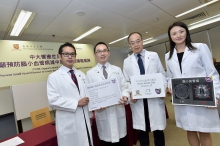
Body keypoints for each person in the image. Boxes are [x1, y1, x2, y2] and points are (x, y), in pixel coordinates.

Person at [165, 21, 220, 146]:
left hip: (202, 97)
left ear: (186, 32)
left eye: (181, 31)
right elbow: (169, 76)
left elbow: (212, 73)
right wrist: (170, 86)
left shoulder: (200, 47)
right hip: (183, 98)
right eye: (174, 33)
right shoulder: (168, 55)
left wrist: (215, 95)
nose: (178, 35)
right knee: (190, 130)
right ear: (170, 37)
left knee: (205, 131)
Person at [123, 32, 167, 146]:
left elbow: (162, 74)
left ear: (142, 41)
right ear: (129, 45)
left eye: (138, 41)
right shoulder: (127, 61)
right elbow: (126, 81)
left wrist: (163, 89)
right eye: (132, 43)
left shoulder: (153, 55)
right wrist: (131, 92)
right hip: (138, 101)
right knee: (142, 132)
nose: (136, 45)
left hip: (154, 98)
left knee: (158, 131)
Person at [47, 42, 93, 146]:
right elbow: (53, 101)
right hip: (68, 123)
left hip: (85, 120)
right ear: (59, 56)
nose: (70, 57)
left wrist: (89, 116)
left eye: (72, 54)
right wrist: (76, 103)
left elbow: (87, 97)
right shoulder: (54, 77)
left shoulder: (81, 74)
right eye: (66, 54)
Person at [86, 42, 129, 146]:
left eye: (104, 50)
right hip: (103, 114)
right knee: (106, 143)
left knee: (121, 141)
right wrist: (95, 105)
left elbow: (125, 87)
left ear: (108, 53)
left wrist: (125, 96)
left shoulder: (117, 70)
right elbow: (89, 95)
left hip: (118, 111)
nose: (102, 53)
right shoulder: (90, 74)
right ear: (94, 55)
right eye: (99, 51)